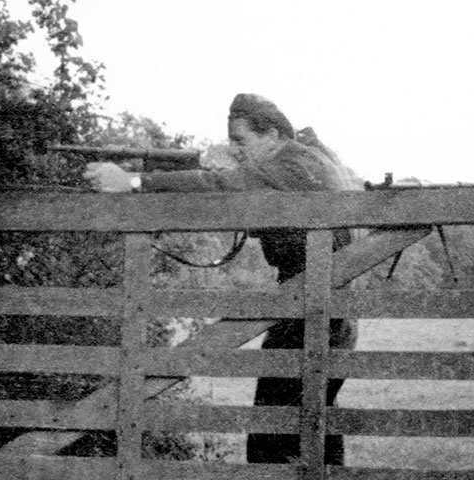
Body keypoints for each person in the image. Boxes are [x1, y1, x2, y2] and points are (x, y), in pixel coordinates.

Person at [85, 93, 358, 466]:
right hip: (324, 307)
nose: (235, 149)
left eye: (240, 141)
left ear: (273, 135)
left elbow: (221, 187)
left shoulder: (293, 163)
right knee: (313, 422)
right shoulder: (307, 156)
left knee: (273, 435)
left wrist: (132, 181)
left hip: (312, 307)